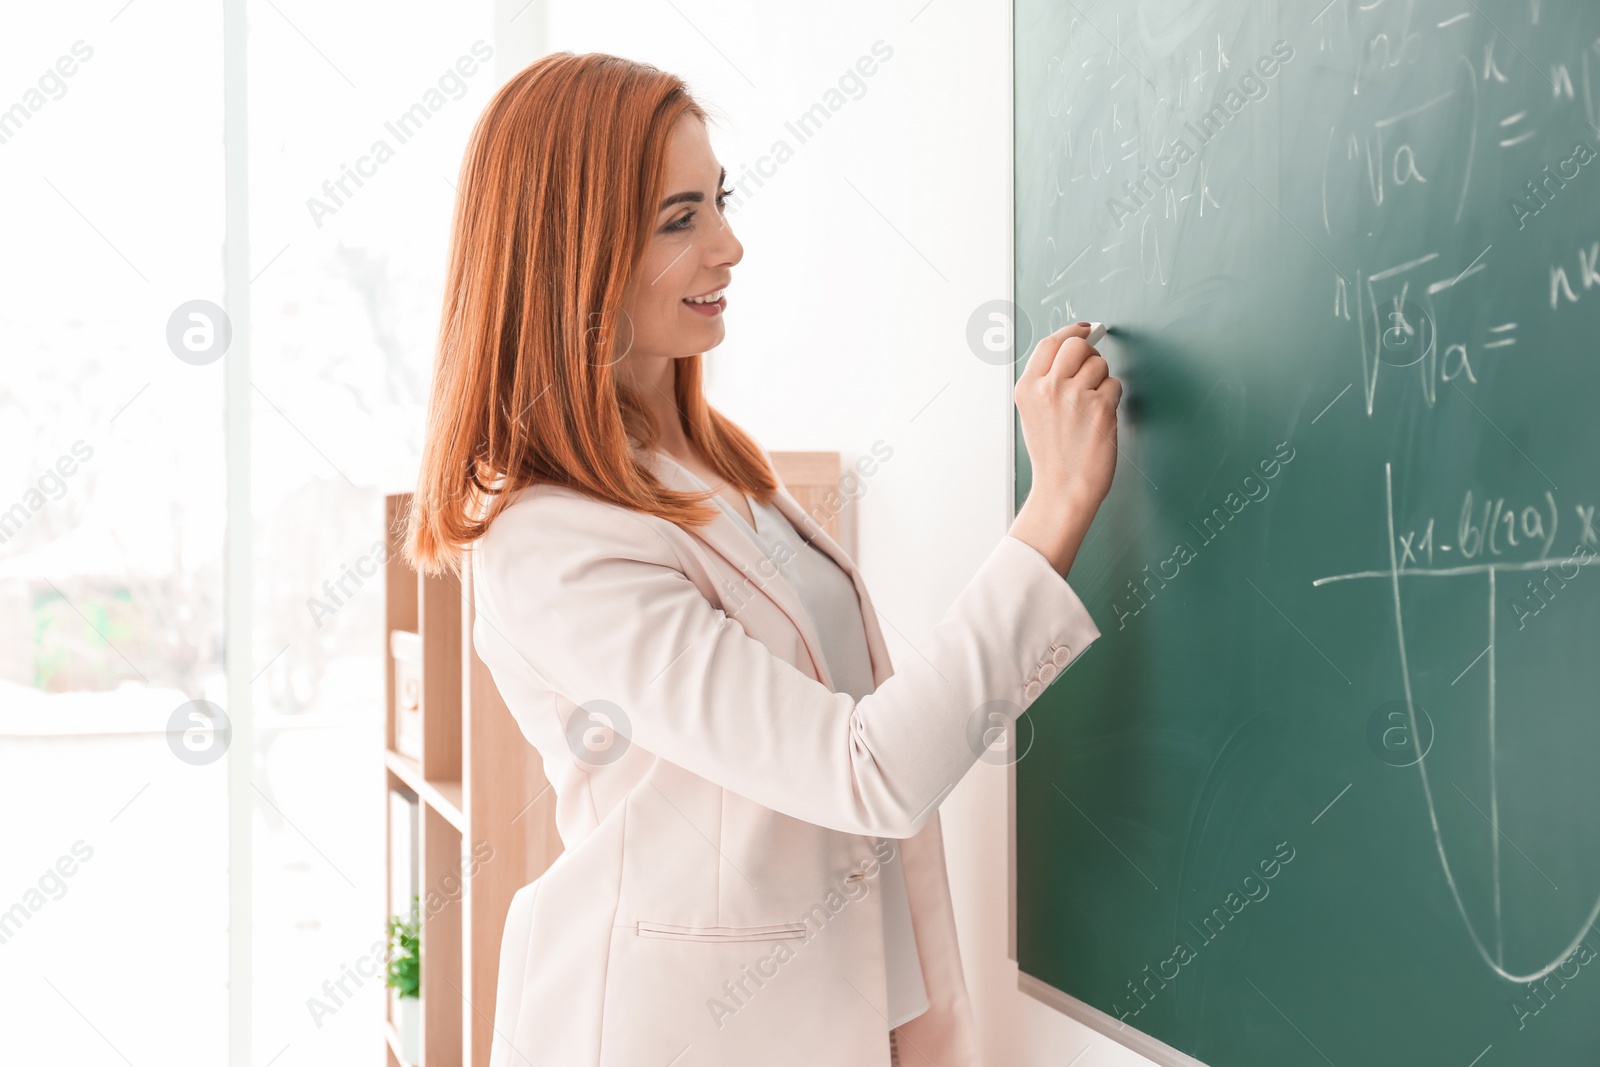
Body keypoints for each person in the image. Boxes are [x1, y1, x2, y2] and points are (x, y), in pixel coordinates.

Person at [404, 50, 1121, 1067]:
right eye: (679, 218)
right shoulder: (550, 541)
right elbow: (861, 765)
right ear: (575, 253)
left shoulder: (712, 461)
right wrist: (1053, 507)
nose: (729, 246)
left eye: (719, 201)